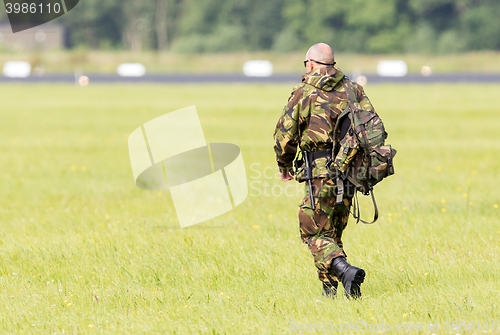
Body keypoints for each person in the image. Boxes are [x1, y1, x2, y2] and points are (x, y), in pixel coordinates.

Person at [273, 43, 376, 299]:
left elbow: (284, 137)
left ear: (310, 63)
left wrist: (284, 165)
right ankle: (331, 292)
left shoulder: (303, 92)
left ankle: (346, 271)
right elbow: (371, 129)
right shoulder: (354, 89)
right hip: (351, 172)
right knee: (331, 235)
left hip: (320, 173)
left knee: (313, 233)